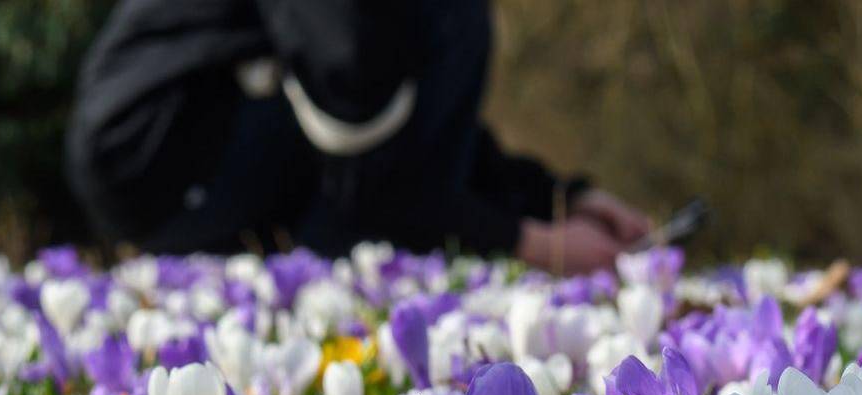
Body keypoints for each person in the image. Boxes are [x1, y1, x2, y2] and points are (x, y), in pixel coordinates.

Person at [65, 0, 651, 273]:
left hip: (149, 148)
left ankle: (325, 268)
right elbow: (382, 180)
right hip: (160, 153)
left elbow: (414, 130)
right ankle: (336, 274)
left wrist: (561, 197)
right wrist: (534, 242)